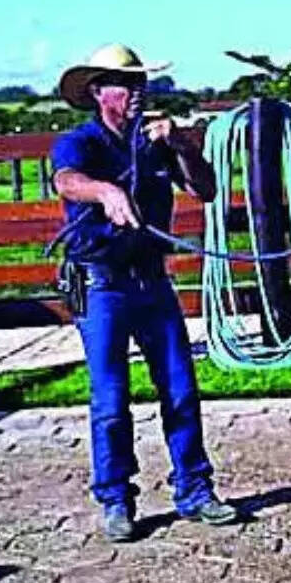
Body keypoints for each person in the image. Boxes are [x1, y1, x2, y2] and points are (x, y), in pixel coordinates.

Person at [51, 44, 238, 541]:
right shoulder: (80, 142)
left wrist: (183, 147)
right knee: (111, 398)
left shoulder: (157, 140)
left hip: (152, 281)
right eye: (125, 83)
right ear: (98, 92)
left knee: (180, 388)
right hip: (101, 283)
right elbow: (67, 181)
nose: (137, 91)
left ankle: (194, 489)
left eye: (140, 83)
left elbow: (206, 189)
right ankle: (115, 498)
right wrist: (106, 192)